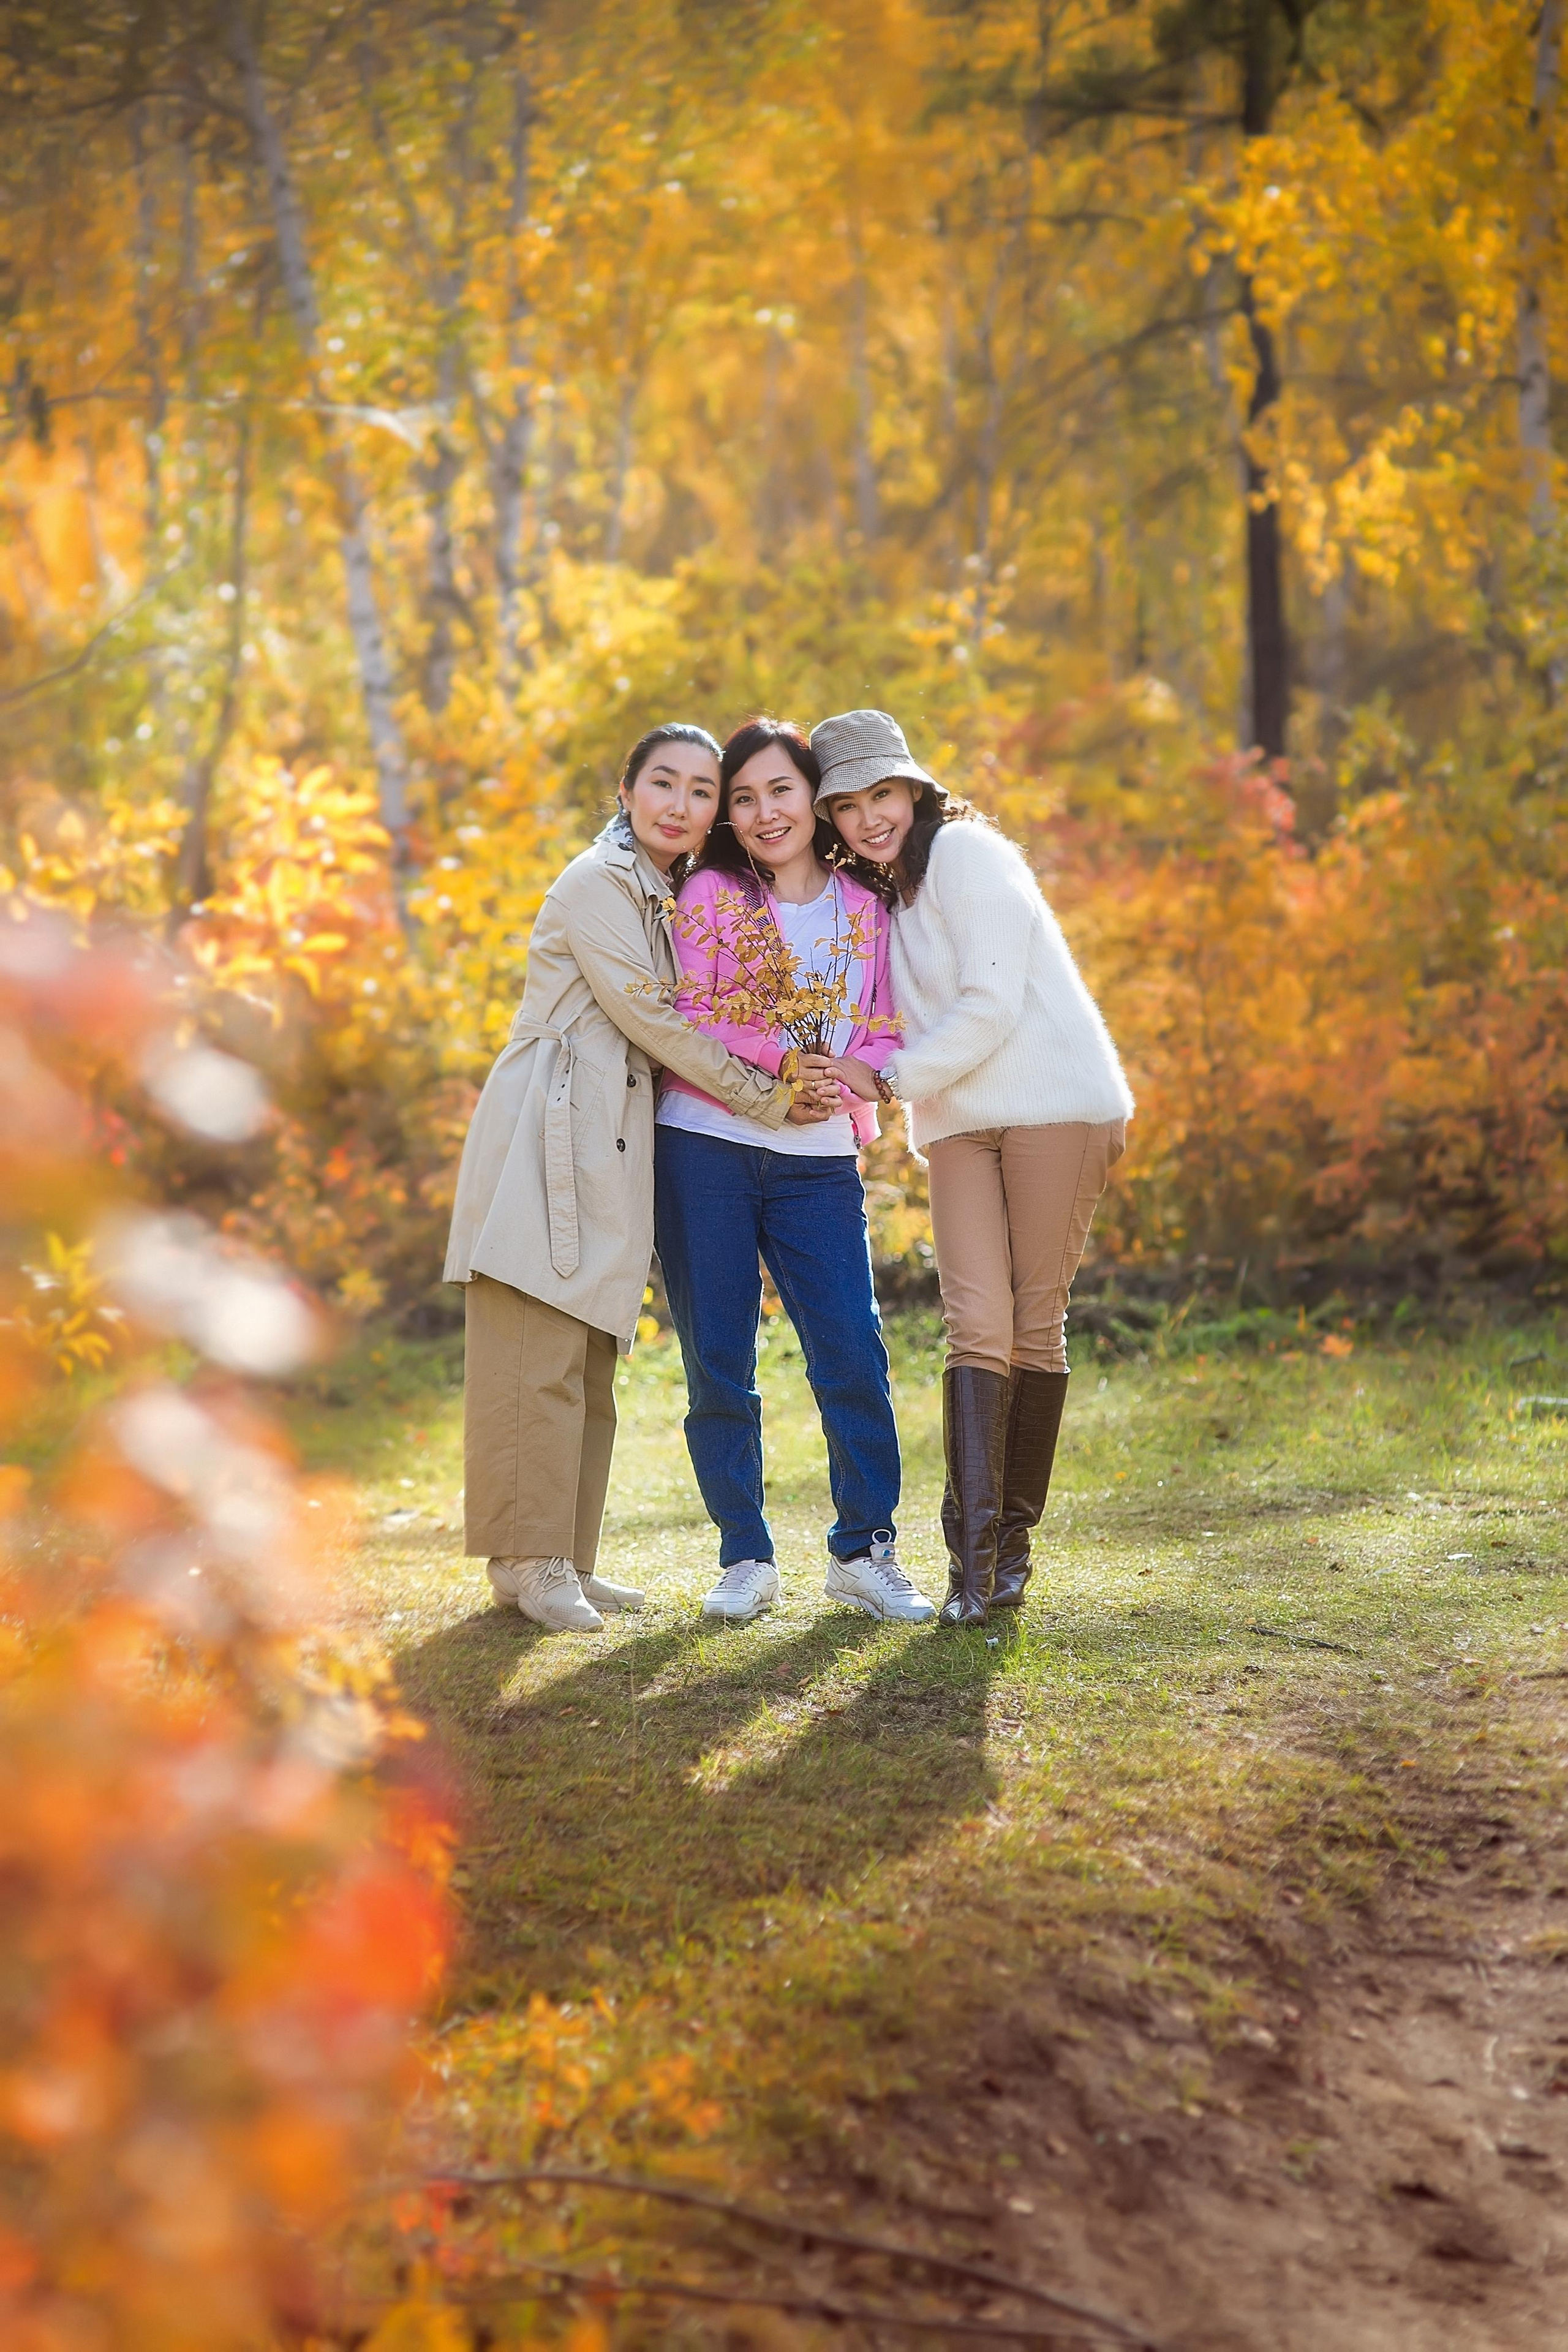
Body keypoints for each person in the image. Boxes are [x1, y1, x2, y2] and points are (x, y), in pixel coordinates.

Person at [444, 722, 827, 1633]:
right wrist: (766, 1097)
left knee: (584, 1353)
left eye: (703, 791)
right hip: (549, 1121)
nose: (683, 805)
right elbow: (652, 1016)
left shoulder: (673, 891)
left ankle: (565, 1558)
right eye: (666, 782)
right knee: (533, 1344)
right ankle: (529, 1562)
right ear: (627, 791)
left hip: (607, 1133)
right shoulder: (596, 883)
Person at [812, 708, 1133, 1629]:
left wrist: (892, 1079)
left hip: (1055, 1104)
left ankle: (1004, 1560)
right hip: (957, 1121)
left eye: (884, 794)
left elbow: (992, 1004)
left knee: (1034, 1322)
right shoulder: (885, 896)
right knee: (974, 1324)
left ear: (914, 787)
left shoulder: (967, 854)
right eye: (848, 805)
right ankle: (971, 1560)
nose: (871, 818)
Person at [652, 717, 937, 1626]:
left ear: (815, 799)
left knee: (851, 1350)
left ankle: (865, 1551)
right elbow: (693, 1014)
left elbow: (889, 1026)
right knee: (720, 1360)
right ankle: (744, 1554)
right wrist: (788, 1066)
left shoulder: (867, 908)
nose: (765, 811)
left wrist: (852, 1075)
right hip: (704, 1147)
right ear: (730, 817)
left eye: (781, 790)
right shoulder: (709, 894)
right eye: (744, 798)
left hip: (818, 1162)